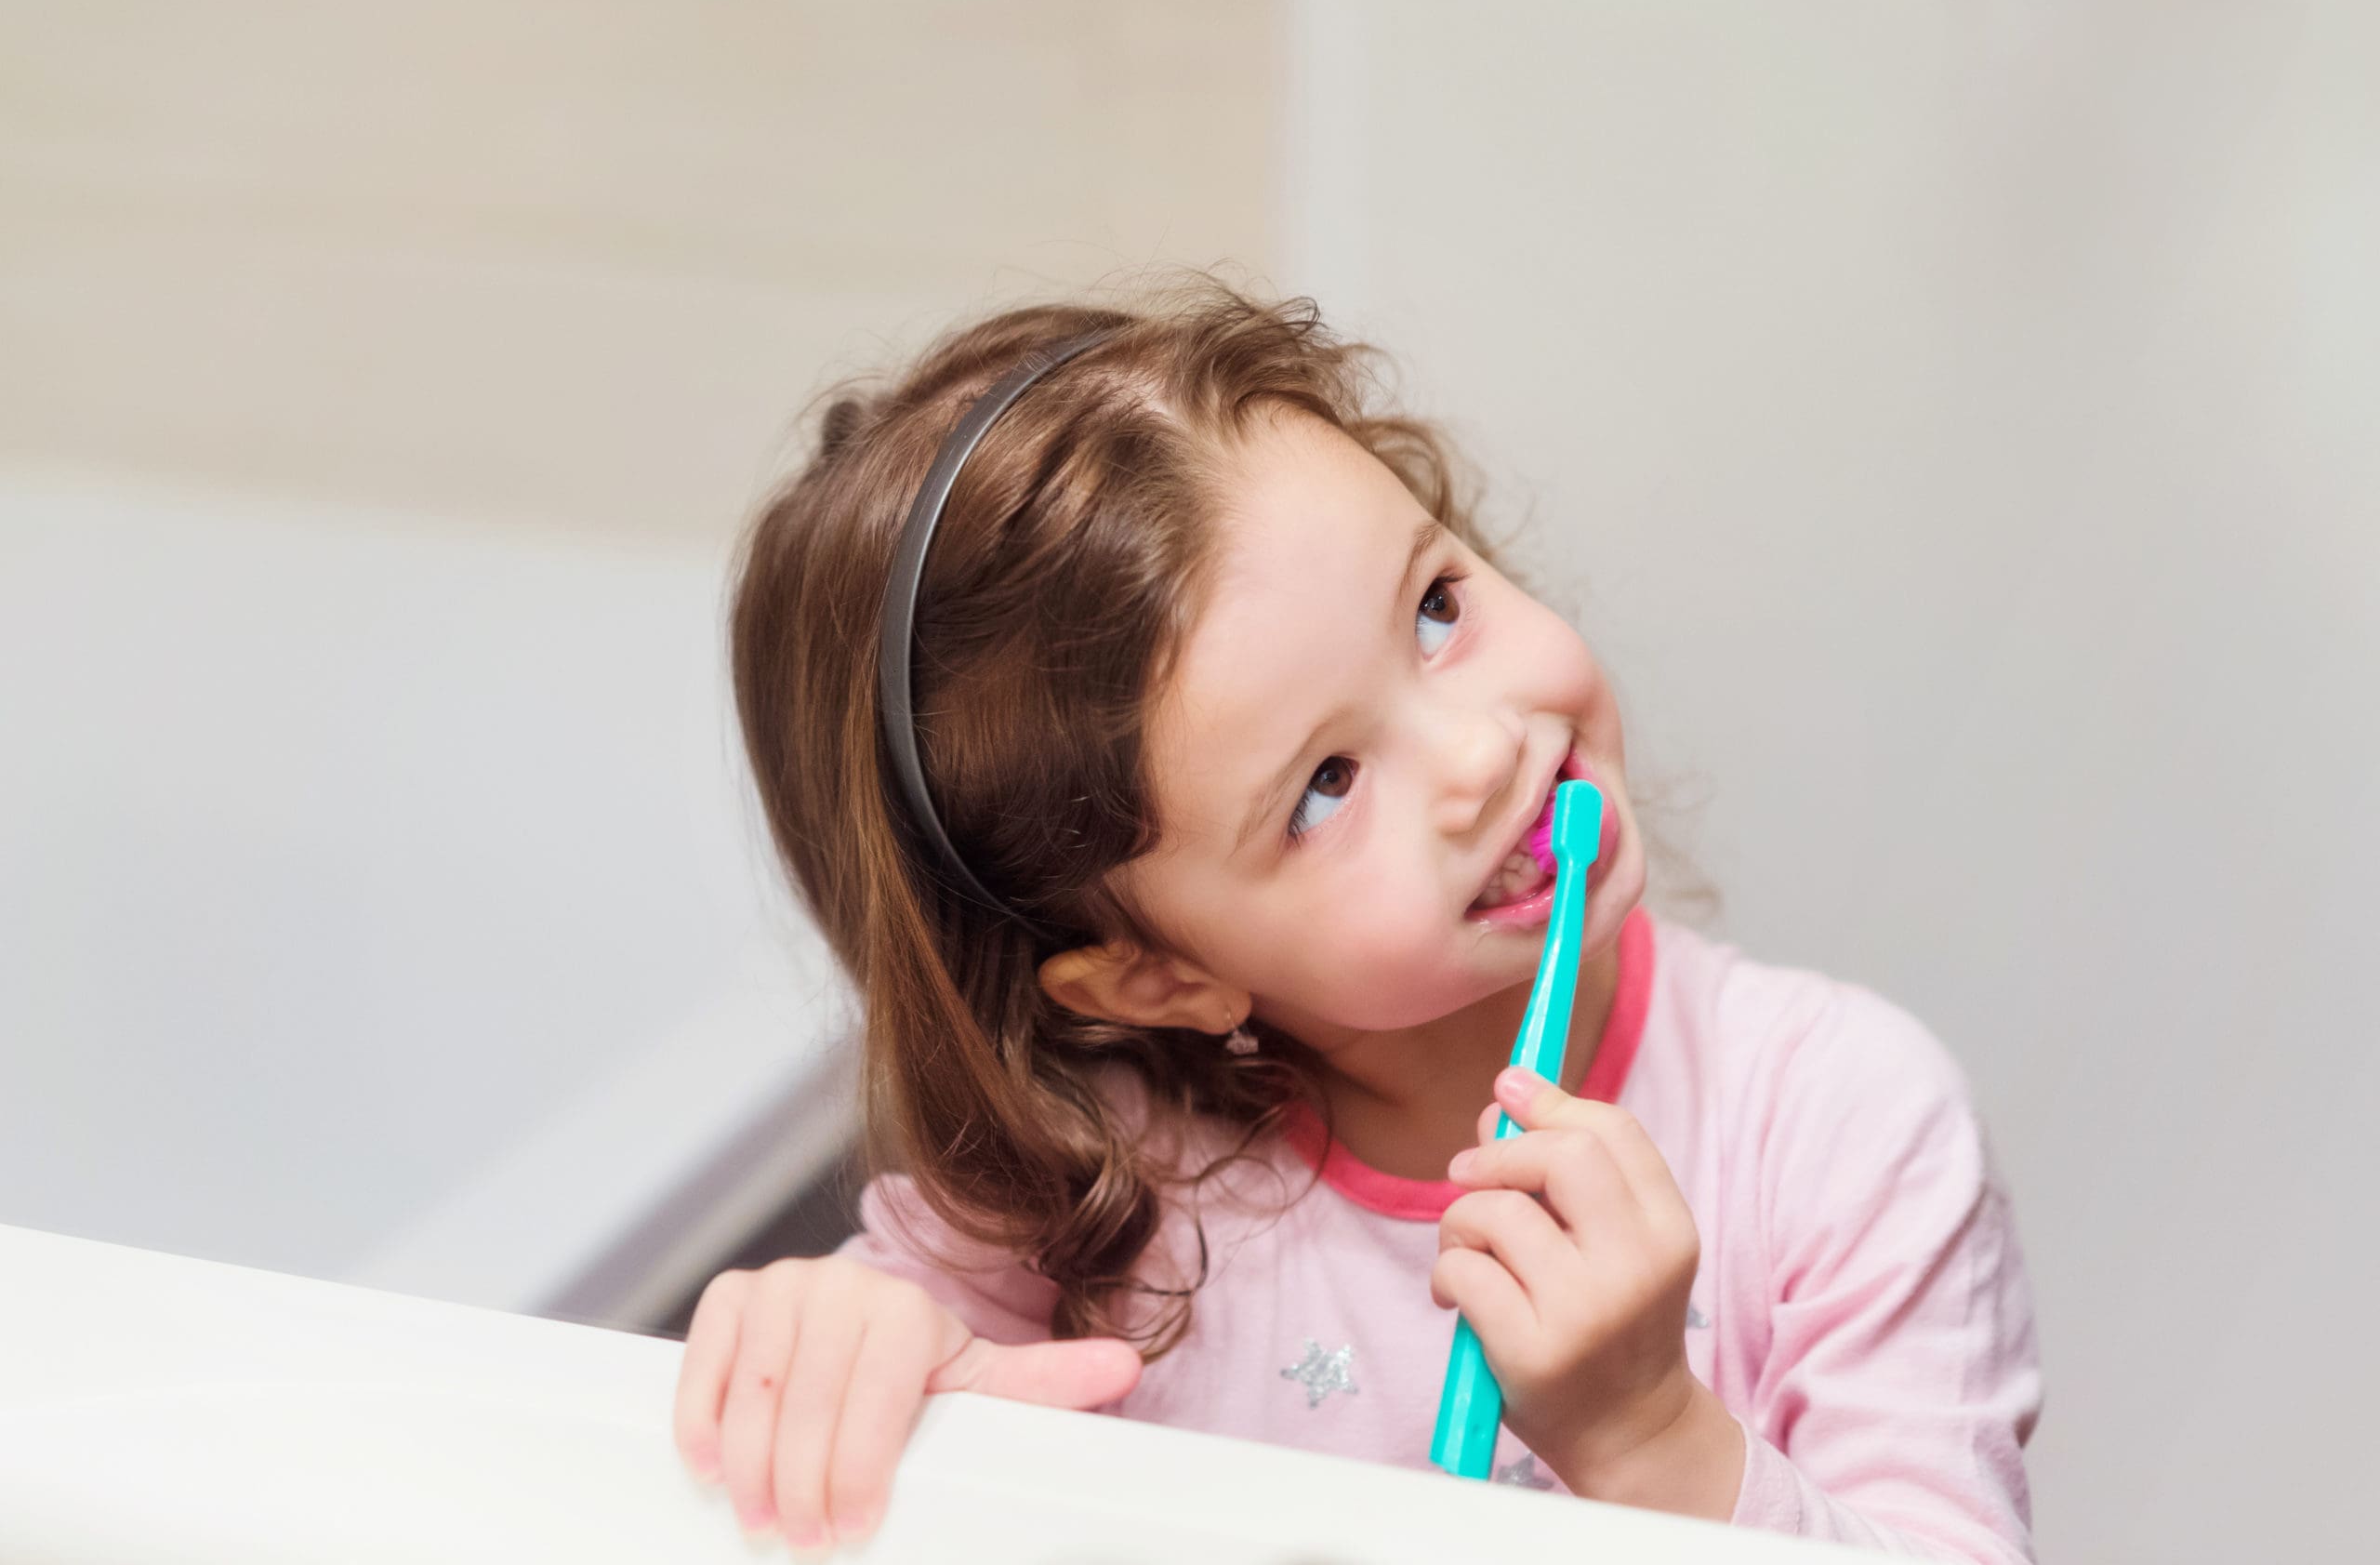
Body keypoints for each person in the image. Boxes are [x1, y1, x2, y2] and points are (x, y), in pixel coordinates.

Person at [671, 275, 2041, 1560]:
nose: (1480, 753)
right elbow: (854, 1390)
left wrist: (1649, 1439)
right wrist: (834, 1342)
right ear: (1151, 979)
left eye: (1436, 609)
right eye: (1325, 786)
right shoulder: (1070, 1196)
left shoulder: (1838, 1122)